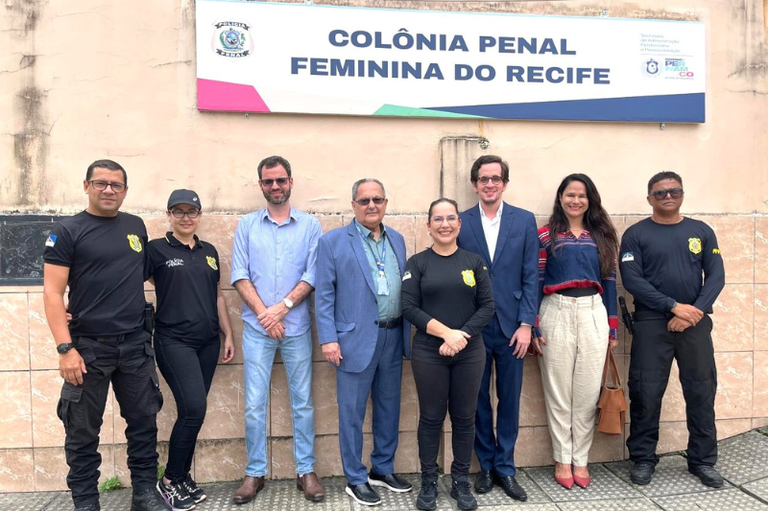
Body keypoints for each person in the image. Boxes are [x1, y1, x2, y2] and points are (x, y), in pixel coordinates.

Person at [43, 159, 166, 511]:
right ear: (86, 186)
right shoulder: (67, 231)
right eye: (101, 183)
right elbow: (52, 293)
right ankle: (86, 503)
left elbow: (138, 275)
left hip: (135, 345)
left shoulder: (135, 226)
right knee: (81, 431)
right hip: (88, 349)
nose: (109, 190)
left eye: (116, 185)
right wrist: (65, 348)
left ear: (125, 191)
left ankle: (144, 493)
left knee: (143, 422)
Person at [230, 156, 325, 504]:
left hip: (297, 326)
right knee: (254, 404)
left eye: (281, 180)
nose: (275, 186)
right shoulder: (247, 225)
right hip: (257, 329)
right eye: (268, 181)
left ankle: (306, 470)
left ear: (290, 182)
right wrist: (264, 315)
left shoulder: (311, 226)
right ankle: (255, 472)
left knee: (302, 402)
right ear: (260, 185)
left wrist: (281, 308)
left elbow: (313, 275)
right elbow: (240, 274)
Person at [620, 171, 725, 488]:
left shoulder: (701, 231)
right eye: (660, 192)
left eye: (674, 190)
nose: (668, 195)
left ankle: (703, 461)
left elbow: (716, 277)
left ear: (682, 193)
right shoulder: (636, 234)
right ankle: (642, 458)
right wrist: (671, 306)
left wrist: (691, 313)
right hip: (652, 323)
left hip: (694, 323)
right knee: (645, 393)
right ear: (649, 197)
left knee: (701, 392)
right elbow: (633, 280)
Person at [315, 178, 413, 506]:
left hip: (392, 335)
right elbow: (324, 295)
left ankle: (382, 469)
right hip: (353, 340)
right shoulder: (333, 242)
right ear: (353, 205)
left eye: (378, 199)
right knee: (352, 412)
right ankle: (355, 478)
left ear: (386, 203)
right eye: (364, 200)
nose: (372, 205)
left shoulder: (397, 240)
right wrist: (328, 339)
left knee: (388, 408)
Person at [402, 198, 494, 511]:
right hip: (429, 351)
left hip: (469, 351)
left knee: (465, 418)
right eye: (438, 219)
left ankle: (460, 481)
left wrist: (460, 337)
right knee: (430, 418)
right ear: (429, 225)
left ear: (459, 224)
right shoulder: (417, 263)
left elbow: (487, 306)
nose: (445, 224)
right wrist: (446, 334)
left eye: (450, 218)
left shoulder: (474, 261)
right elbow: (409, 307)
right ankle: (429, 481)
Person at [145, 189, 235, 510]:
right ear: (168, 215)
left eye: (191, 212)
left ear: (199, 215)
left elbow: (217, 295)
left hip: (208, 343)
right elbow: (133, 282)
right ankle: (169, 480)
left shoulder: (209, 251)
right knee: (193, 408)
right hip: (174, 341)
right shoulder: (155, 250)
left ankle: (182, 476)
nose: (186, 217)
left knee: (193, 413)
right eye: (178, 211)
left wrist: (227, 335)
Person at [456, 155, 537, 501]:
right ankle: (485, 466)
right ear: (475, 184)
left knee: (509, 400)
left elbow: (532, 275)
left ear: (505, 183)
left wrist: (526, 324)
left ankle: (506, 468)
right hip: (473, 326)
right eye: (484, 179)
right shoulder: (460, 221)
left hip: (512, 328)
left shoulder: (524, 220)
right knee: (476, 402)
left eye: (496, 178)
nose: (490, 184)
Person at [531, 174, 619, 489]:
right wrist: (534, 324)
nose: (575, 201)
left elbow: (609, 282)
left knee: (586, 391)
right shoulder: (544, 235)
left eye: (581, 195)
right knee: (558, 393)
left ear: (590, 199)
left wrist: (612, 326)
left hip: (593, 311)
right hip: (555, 310)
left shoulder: (603, 235)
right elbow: (536, 281)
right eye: (570, 195)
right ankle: (562, 458)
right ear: (560, 198)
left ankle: (581, 459)